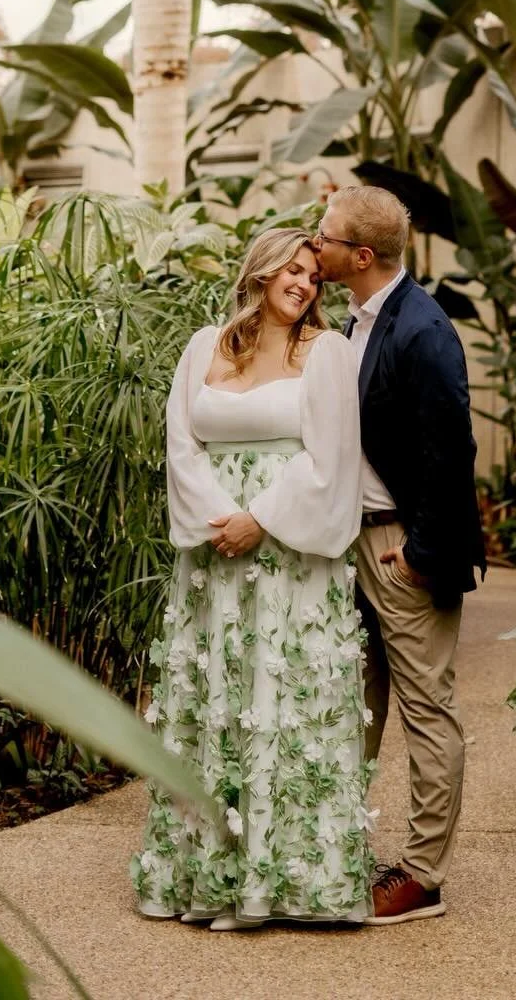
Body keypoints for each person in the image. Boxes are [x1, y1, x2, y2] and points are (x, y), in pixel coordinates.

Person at [130, 226, 373, 930]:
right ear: (260, 273)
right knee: (219, 701)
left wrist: (259, 519)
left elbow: (332, 458)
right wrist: (219, 520)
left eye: (312, 275)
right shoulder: (205, 345)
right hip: (214, 559)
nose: (302, 283)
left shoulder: (325, 353)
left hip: (289, 556)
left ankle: (283, 882)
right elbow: (182, 442)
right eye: (290, 271)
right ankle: (210, 874)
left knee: (282, 699)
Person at [314, 186, 486, 925]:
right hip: (351, 541)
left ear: (360, 255)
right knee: (356, 704)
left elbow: (451, 453)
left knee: (426, 709)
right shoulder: (355, 323)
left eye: (323, 236)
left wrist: (420, 555)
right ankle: (338, 849)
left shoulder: (424, 330)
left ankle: (422, 876)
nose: (310, 244)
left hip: (399, 548)